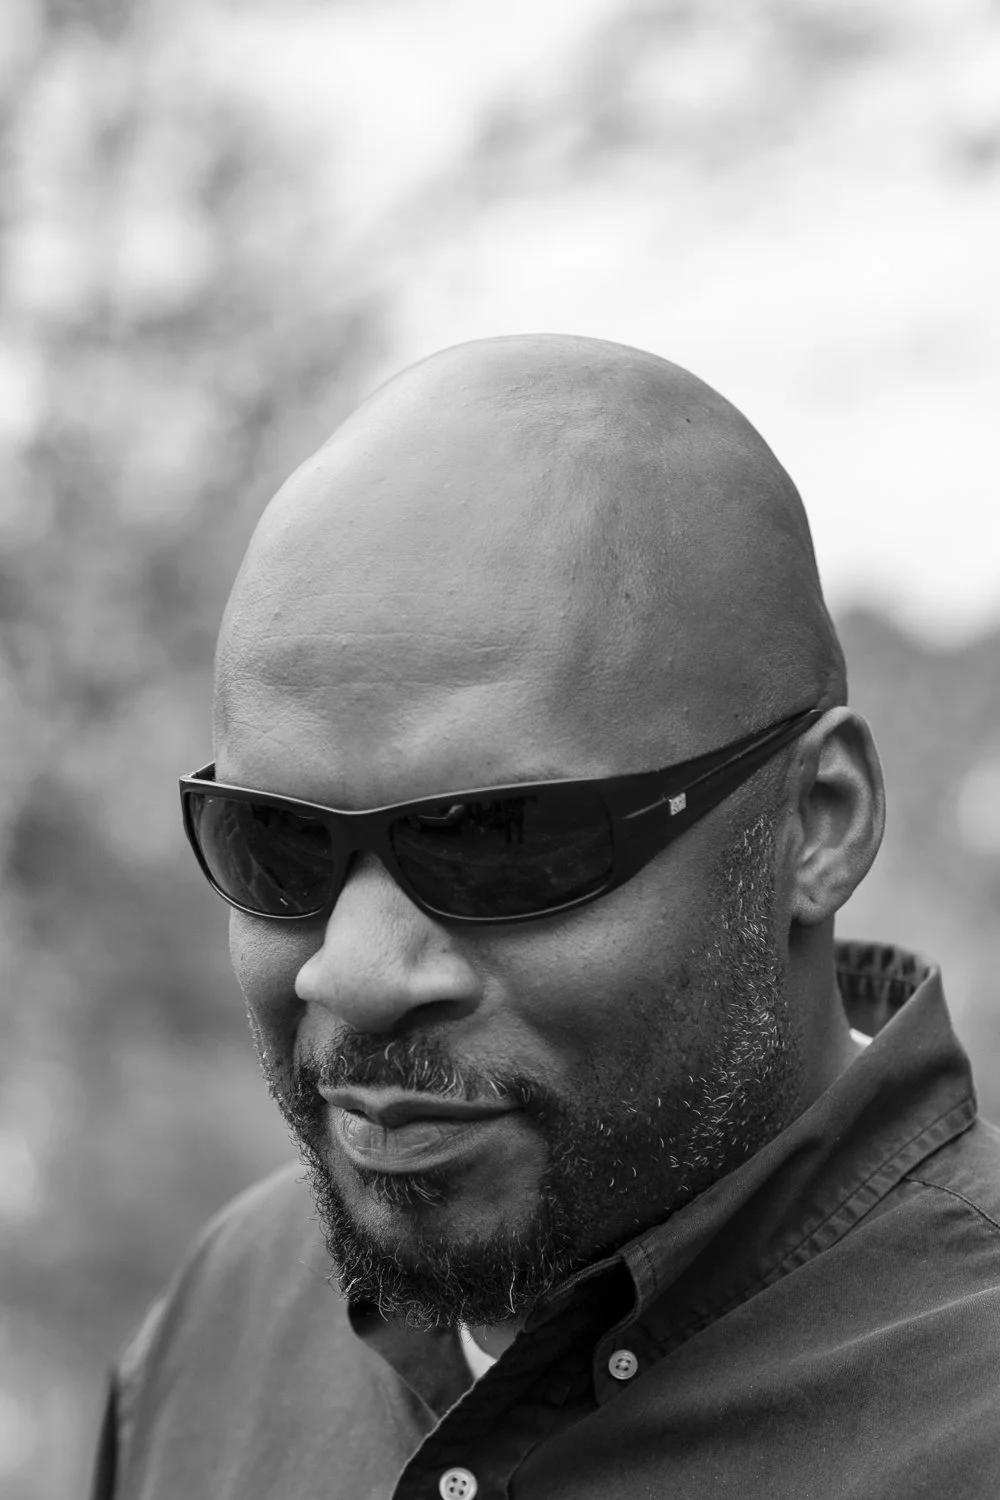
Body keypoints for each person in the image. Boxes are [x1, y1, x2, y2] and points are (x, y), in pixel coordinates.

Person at [90, 335, 1000, 1500]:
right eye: (276, 842)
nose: (355, 973)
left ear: (815, 824)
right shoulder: (226, 1319)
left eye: (496, 840)